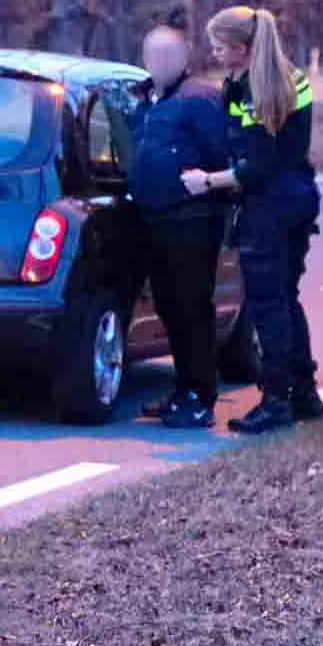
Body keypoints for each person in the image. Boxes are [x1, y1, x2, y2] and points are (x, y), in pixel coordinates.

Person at [180, 6, 323, 434]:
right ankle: (304, 393)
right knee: (286, 298)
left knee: (267, 305)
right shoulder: (290, 79)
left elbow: (254, 167)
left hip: (269, 208)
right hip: (297, 198)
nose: (214, 52)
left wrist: (207, 181)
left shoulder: (256, 90)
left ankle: (276, 402)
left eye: (220, 45)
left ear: (241, 48)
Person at [129, 26, 230, 429]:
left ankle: (201, 397)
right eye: (155, 56)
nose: (161, 63)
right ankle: (183, 391)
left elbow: (222, 156)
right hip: (155, 220)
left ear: (185, 59)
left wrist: (209, 192)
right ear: (145, 58)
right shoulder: (145, 101)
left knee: (191, 309)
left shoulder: (200, 99)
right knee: (170, 308)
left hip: (191, 221)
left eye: (170, 56)